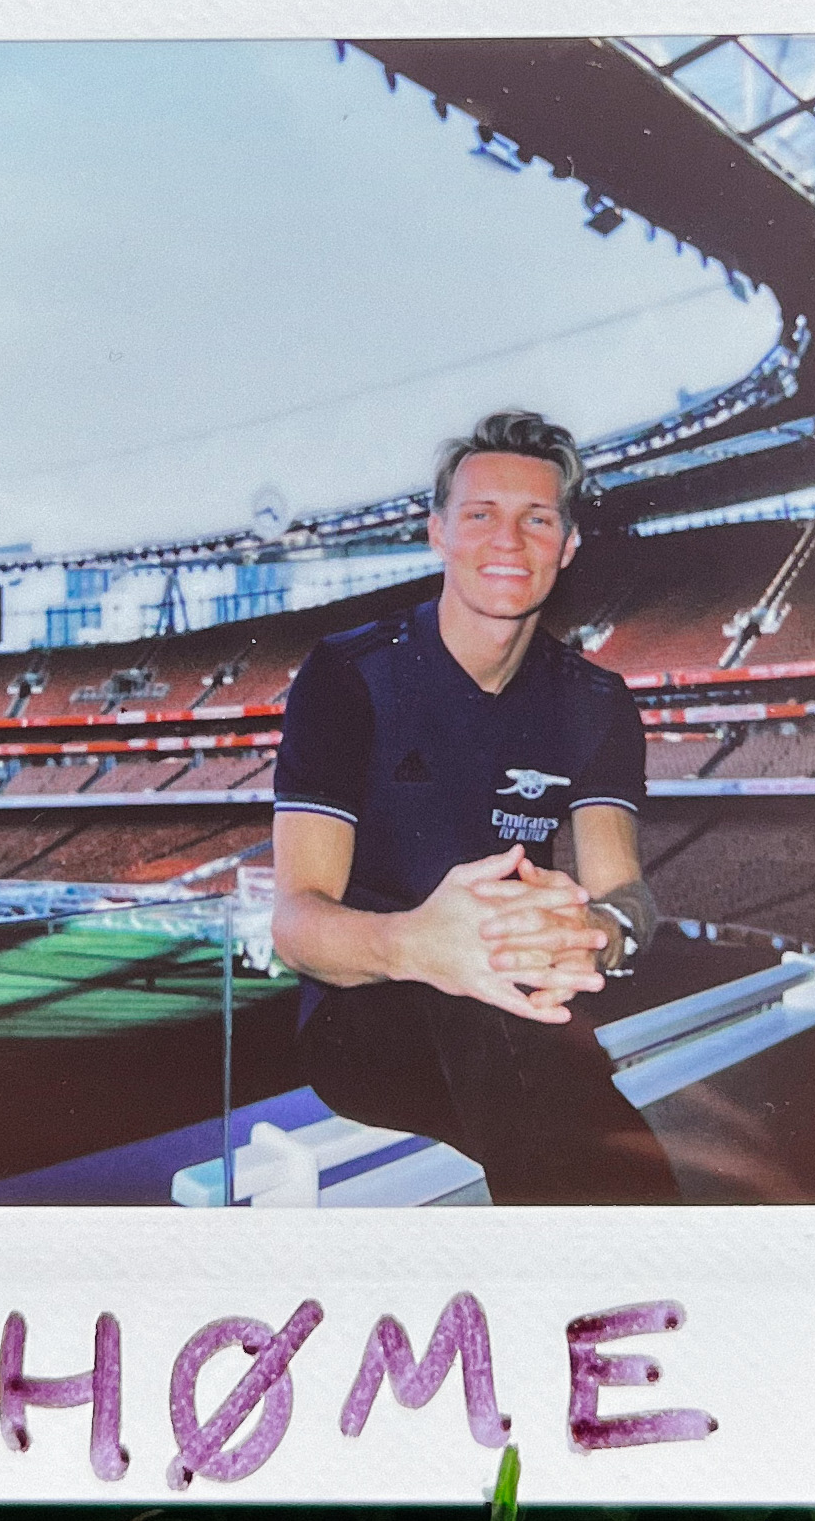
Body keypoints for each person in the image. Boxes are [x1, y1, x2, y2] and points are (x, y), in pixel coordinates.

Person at [269, 408, 679, 1206]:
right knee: (504, 1025)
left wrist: (602, 930)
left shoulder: (596, 701)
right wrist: (421, 944)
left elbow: (626, 890)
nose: (508, 539)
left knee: (527, 1044)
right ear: (437, 533)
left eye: (537, 519)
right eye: (480, 514)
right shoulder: (351, 674)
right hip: (368, 1004)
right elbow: (296, 922)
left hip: (518, 1004)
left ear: (567, 546)